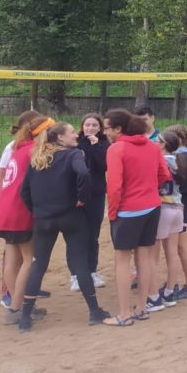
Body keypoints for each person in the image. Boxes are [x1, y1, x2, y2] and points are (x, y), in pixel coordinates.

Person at [17, 121, 111, 331]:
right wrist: (82, 198)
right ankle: (94, 311)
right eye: (71, 132)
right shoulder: (72, 155)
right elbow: (84, 174)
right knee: (80, 263)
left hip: (44, 219)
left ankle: (25, 318)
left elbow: (24, 192)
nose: (76, 135)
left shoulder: (38, 158)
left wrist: (38, 209)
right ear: (60, 137)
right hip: (70, 216)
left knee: (39, 264)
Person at [104, 108, 171, 326]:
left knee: (122, 261)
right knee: (144, 258)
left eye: (107, 128)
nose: (105, 132)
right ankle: (142, 308)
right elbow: (164, 174)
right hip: (152, 207)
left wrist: (112, 212)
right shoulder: (152, 146)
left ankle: (124, 314)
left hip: (128, 210)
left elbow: (114, 186)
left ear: (118, 129)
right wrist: (148, 188)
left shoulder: (117, 149)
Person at [0, 113, 51, 325]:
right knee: (29, 260)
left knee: (12, 260)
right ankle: (17, 308)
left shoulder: (18, 147)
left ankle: (15, 305)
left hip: (5, 210)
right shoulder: (33, 150)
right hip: (20, 211)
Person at [69, 113, 108, 292]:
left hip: (96, 194)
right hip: (76, 196)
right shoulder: (75, 143)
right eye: (87, 125)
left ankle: (92, 271)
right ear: (82, 126)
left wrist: (96, 147)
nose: (90, 128)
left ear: (100, 128)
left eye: (94, 125)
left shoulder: (104, 143)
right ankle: (75, 276)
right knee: (76, 236)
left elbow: (105, 166)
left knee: (93, 235)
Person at [167, 124, 187, 300]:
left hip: (184, 205)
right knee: (177, 247)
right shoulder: (182, 154)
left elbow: (181, 184)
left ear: (177, 139)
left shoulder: (183, 156)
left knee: (181, 247)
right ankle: (175, 283)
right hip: (184, 205)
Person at [155, 128, 187, 306]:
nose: (154, 143)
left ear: (163, 144)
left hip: (164, 209)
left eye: (157, 140)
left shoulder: (161, 161)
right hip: (178, 208)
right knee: (172, 253)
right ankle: (169, 291)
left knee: (151, 255)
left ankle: (153, 295)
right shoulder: (178, 160)